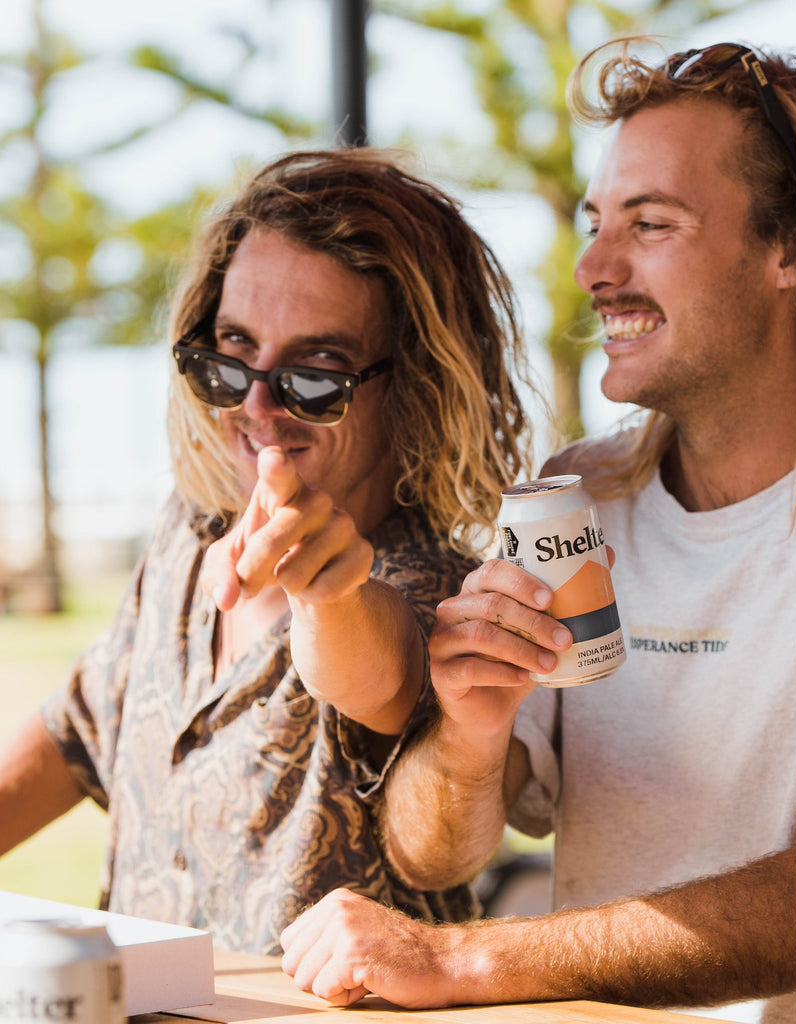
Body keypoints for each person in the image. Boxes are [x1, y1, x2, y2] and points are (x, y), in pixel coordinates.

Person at [278, 41, 796, 1024]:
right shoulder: (577, 494)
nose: (593, 267)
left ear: (795, 247)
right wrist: (472, 725)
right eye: (595, 225)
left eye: (650, 224)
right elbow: (435, 847)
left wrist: (463, 959)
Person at [0, 147, 538, 954]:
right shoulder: (189, 529)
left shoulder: (436, 586)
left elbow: (378, 674)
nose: (255, 407)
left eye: (316, 375)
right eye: (231, 353)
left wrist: (329, 594)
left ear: (417, 383)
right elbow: (79, 731)